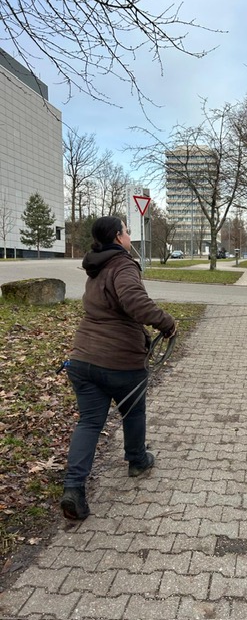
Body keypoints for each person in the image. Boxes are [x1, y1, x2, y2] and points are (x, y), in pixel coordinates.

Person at [60, 216, 176, 521]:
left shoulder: (96, 265)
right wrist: (166, 323)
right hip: (120, 361)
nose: (129, 235)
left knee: (89, 423)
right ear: (116, 236)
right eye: (126, 231)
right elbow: (134, 301)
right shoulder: (122, 264)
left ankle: (73, 489)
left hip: (83, 359)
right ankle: (137, 460)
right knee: (133, 411)